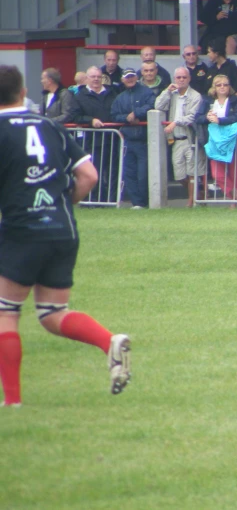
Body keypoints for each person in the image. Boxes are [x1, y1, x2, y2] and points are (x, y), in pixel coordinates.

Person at [0, 65, 131, 407]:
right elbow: (88, 175)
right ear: (24, 92)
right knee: (52, 313)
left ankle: (12, 402)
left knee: (6, 312)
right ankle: (110, 341)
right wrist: (61, 203)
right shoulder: (50, 125)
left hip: (20, 229)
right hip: (62, 228)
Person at [154, 67, 204, 208]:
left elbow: (191, 116)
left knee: (192, 172)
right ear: (174, 79)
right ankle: (198, 195)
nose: (181, 80)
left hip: (189, 138)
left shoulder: (195, 96)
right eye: (178, 77)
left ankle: (191, 202)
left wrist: (175, 122)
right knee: (180, 175)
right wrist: (167, 91)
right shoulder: (172, 94)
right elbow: (158, 105)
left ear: (189, 79)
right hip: (176, 139)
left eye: (184, 77)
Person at [196, 75, 237, 204]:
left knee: (236, 175)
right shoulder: (207, 101)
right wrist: (207, 117)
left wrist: (220, 121)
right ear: (214, 87)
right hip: (215, 143)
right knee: (217, 174)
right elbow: (197, 118)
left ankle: (236, 205)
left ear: (229, 87)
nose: (222, 87)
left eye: (225, 84)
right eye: (219, 85)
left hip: (234, 142)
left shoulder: (236, 100)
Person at [73, 66, 119, 203]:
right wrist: (90, 120)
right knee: (95, 171)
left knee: (112, 172)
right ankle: (94, 200)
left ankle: (110, 201)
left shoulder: (112, 93)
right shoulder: (80, 96)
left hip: (112, 139)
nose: (96, 79)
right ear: (87, 78)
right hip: (92, 141)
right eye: (93, 77)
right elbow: (75, 116)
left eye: (98, 77)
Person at [111, 68, 156, 209]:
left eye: (132, 76)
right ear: (123, 80)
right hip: (127, 141)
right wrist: (127, 118)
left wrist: (136, 113)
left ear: (136, 77)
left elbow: (152, 105)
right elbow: (114, 116)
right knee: (129, 174)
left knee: (143, 174)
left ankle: (143, 202)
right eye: (127, 77)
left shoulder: (146, 92)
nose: (129, 79)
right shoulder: (120, 98)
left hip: (143, 141)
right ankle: (136, 203)